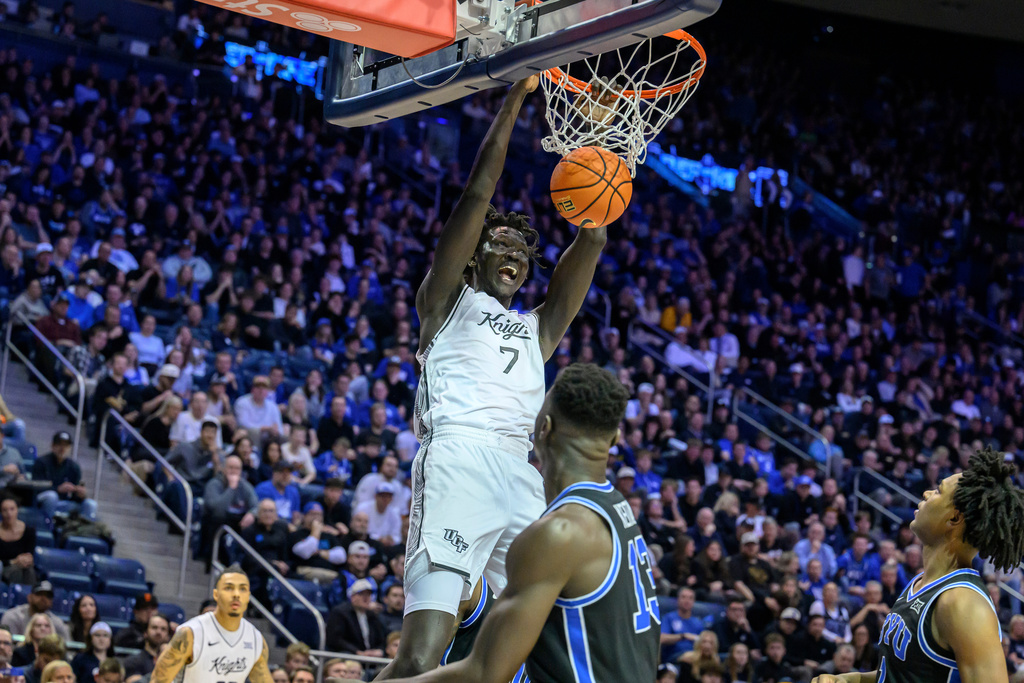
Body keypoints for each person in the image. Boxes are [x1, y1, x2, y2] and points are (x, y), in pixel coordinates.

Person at [383, 76, 610, 680]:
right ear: (475, 253)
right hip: (457, 459)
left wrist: (597, 142)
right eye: (499, 243)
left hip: (522, 477)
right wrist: (515, 100)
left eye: (522, 250)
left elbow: (593, 236)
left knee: (510, 660)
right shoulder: (445, 301)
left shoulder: (537, 329)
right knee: (420, 656)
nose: (512, 253)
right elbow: (479, 192)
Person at [385, 364, 659, 683]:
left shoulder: (558, 533)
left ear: (543, 428)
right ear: (615, 437)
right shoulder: (617, 511)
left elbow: (485, 673)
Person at [813, 447, 1024, 683]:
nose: (926, 492)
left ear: (954, 518)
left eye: (938, 491)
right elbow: (899, 675)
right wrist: (847, 680)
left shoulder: (963, 603)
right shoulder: (921, 583)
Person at [151, 565, 272, 683]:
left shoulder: (255, 639)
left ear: (248, 596)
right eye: (229, 588)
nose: (236, 594)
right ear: (216, 594)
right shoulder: (191, 633)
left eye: (242, 589)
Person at [32, 430, 97, 520]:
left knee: (91, 504)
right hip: (43, 500)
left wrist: (80, 495)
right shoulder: (41, 462)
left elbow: (74, 496)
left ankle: (84, 531)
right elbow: (36, 487)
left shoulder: (74, 467)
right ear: (53, 446)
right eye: (59, 444)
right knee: (52, 496)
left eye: (66, 445)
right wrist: (58, 489)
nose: (62, 448)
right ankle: (47, 528)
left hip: (65, 503)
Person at [325, 578, 388, 657]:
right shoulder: (340, 612)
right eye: (361, 594)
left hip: (370, 659)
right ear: (352, 597)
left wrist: (379, 651)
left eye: (368, 594)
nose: (366, 598)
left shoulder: (372, 616)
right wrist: (356, 652)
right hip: (347, 656)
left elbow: (381, 639)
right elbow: (335, 640)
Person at [0, 582, 70, 641]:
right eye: (39, 594)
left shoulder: (57, 622)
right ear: (29, 597)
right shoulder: (13, 616)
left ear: (52, 601)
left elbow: (67, 647)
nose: (44, 598)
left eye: (48, 596)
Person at [0, 495, 37, 585]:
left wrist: (27, 559)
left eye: (12, 509)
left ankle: (30, 595)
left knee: (28, 569)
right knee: (16, 571)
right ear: (1, 513)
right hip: (4, 568)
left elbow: (30, 554)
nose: (9, 514)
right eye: (5, 510)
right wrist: (14, 561)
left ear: (17, 510)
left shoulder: (29, 531)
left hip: (23, 567)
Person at [122, 614, 170, 679]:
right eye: (154, 627)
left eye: (163, 629)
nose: (159, 632)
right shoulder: (133, 661)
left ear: (168, 636)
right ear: (145, 633)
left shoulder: (173, 662)